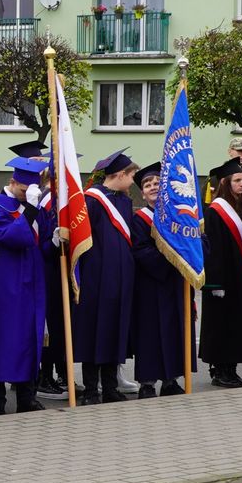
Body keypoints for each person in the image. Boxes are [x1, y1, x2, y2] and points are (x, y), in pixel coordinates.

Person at [0, 156, 47, 412]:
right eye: (23, 190)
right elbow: (10, 237)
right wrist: (28, 210)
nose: (26, 195)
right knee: (0, 340)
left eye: (32, 191)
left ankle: (26, 398)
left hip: (31, 283)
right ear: (12, 182)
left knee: (30, 338)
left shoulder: (33, 204)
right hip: (3, 286)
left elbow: (40, 239)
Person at [70, 150, 138, 403]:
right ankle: (90, 390)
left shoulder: (124, 201)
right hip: (96, 279)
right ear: (120, 174)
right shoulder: (92, 201)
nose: (133, 181)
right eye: (131, 176)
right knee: (93, 332)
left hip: (121, 279)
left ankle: (110, 388)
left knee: (114, 331)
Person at [127, 162, 188, 397]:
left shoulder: (179, 215)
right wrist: (171, 260)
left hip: (175, 284)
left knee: (174, 331)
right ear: (142, 193)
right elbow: (140, 250)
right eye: (147, 184)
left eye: (156, 183)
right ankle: (147, 382)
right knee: (150, 334)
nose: (153, 186)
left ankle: (171, 379)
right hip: (150, 285)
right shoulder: (139, 219)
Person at [200, 159, 242, 388]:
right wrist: (215, 283)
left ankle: (230, 368)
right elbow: (214, 249)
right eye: (237, 181)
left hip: (240, 279)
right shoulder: (216, 211)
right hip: (223, 281)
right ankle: (221, 370)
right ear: (226, 183)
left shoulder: (241, 208)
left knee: (237, 325)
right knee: (222, 325)